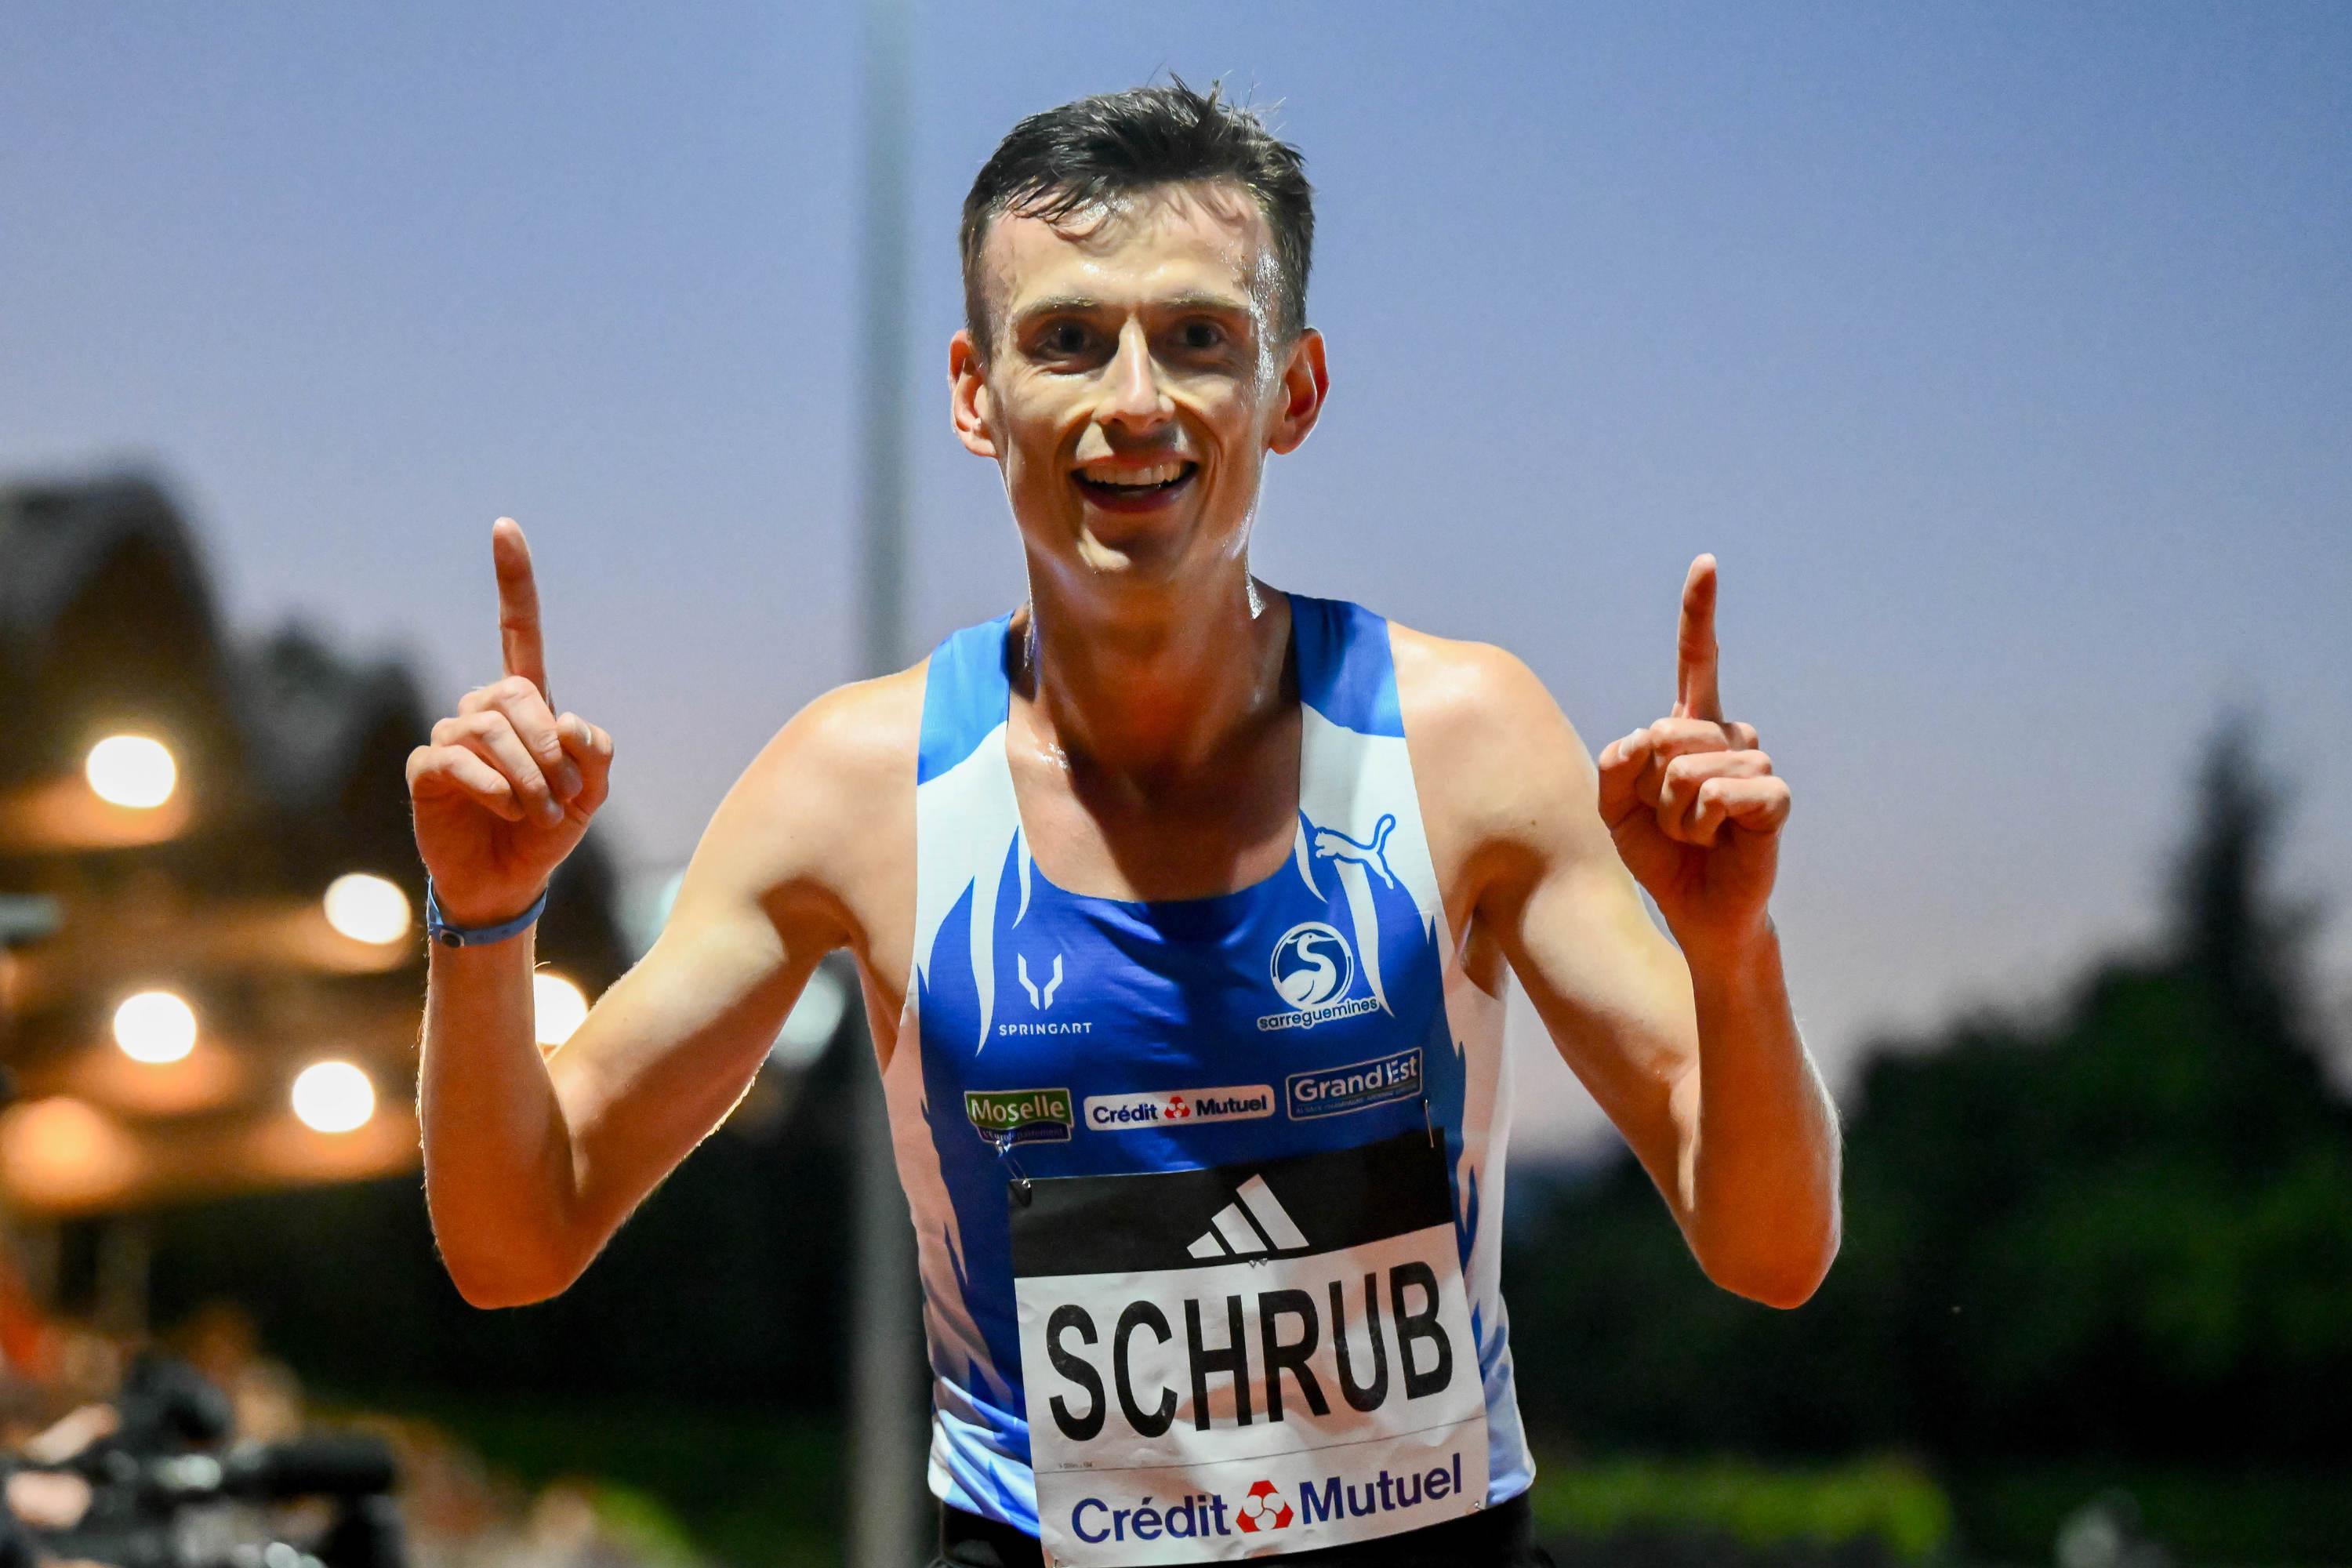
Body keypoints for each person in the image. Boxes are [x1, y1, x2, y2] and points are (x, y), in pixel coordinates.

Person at [410, 78, 1842, 1568]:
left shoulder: (1460, 742)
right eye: (1069, 340)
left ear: (1294, 389)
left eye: (1200, 336)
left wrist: (1732, 951)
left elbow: (1772, 1248)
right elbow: (517, 1240)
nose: (1136, 400)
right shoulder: (858, 789)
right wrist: (485, 919)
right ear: (975, 393)